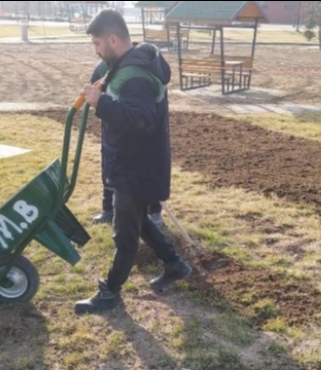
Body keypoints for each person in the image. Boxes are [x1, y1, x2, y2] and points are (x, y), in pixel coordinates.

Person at [74, 8, 192, 314]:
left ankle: (110, 292)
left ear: (113, 39)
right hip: (134, 163)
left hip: (135, 167)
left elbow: (142, 121)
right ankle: (175, 265)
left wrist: (102, 103)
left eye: (98, 44)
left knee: (124, 233)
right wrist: (105, 89)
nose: (97, 51)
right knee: (137, 222)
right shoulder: (128, 62)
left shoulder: (136, 76)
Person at [89, 60, 165, 230]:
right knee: (110, 168)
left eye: (98, 43)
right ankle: (108, 210)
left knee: (145, 170)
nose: (97, 50)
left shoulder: (140, 68)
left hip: (139, 131)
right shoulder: (102, 68)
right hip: (113, 129)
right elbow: (93, 89)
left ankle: (154, 212)